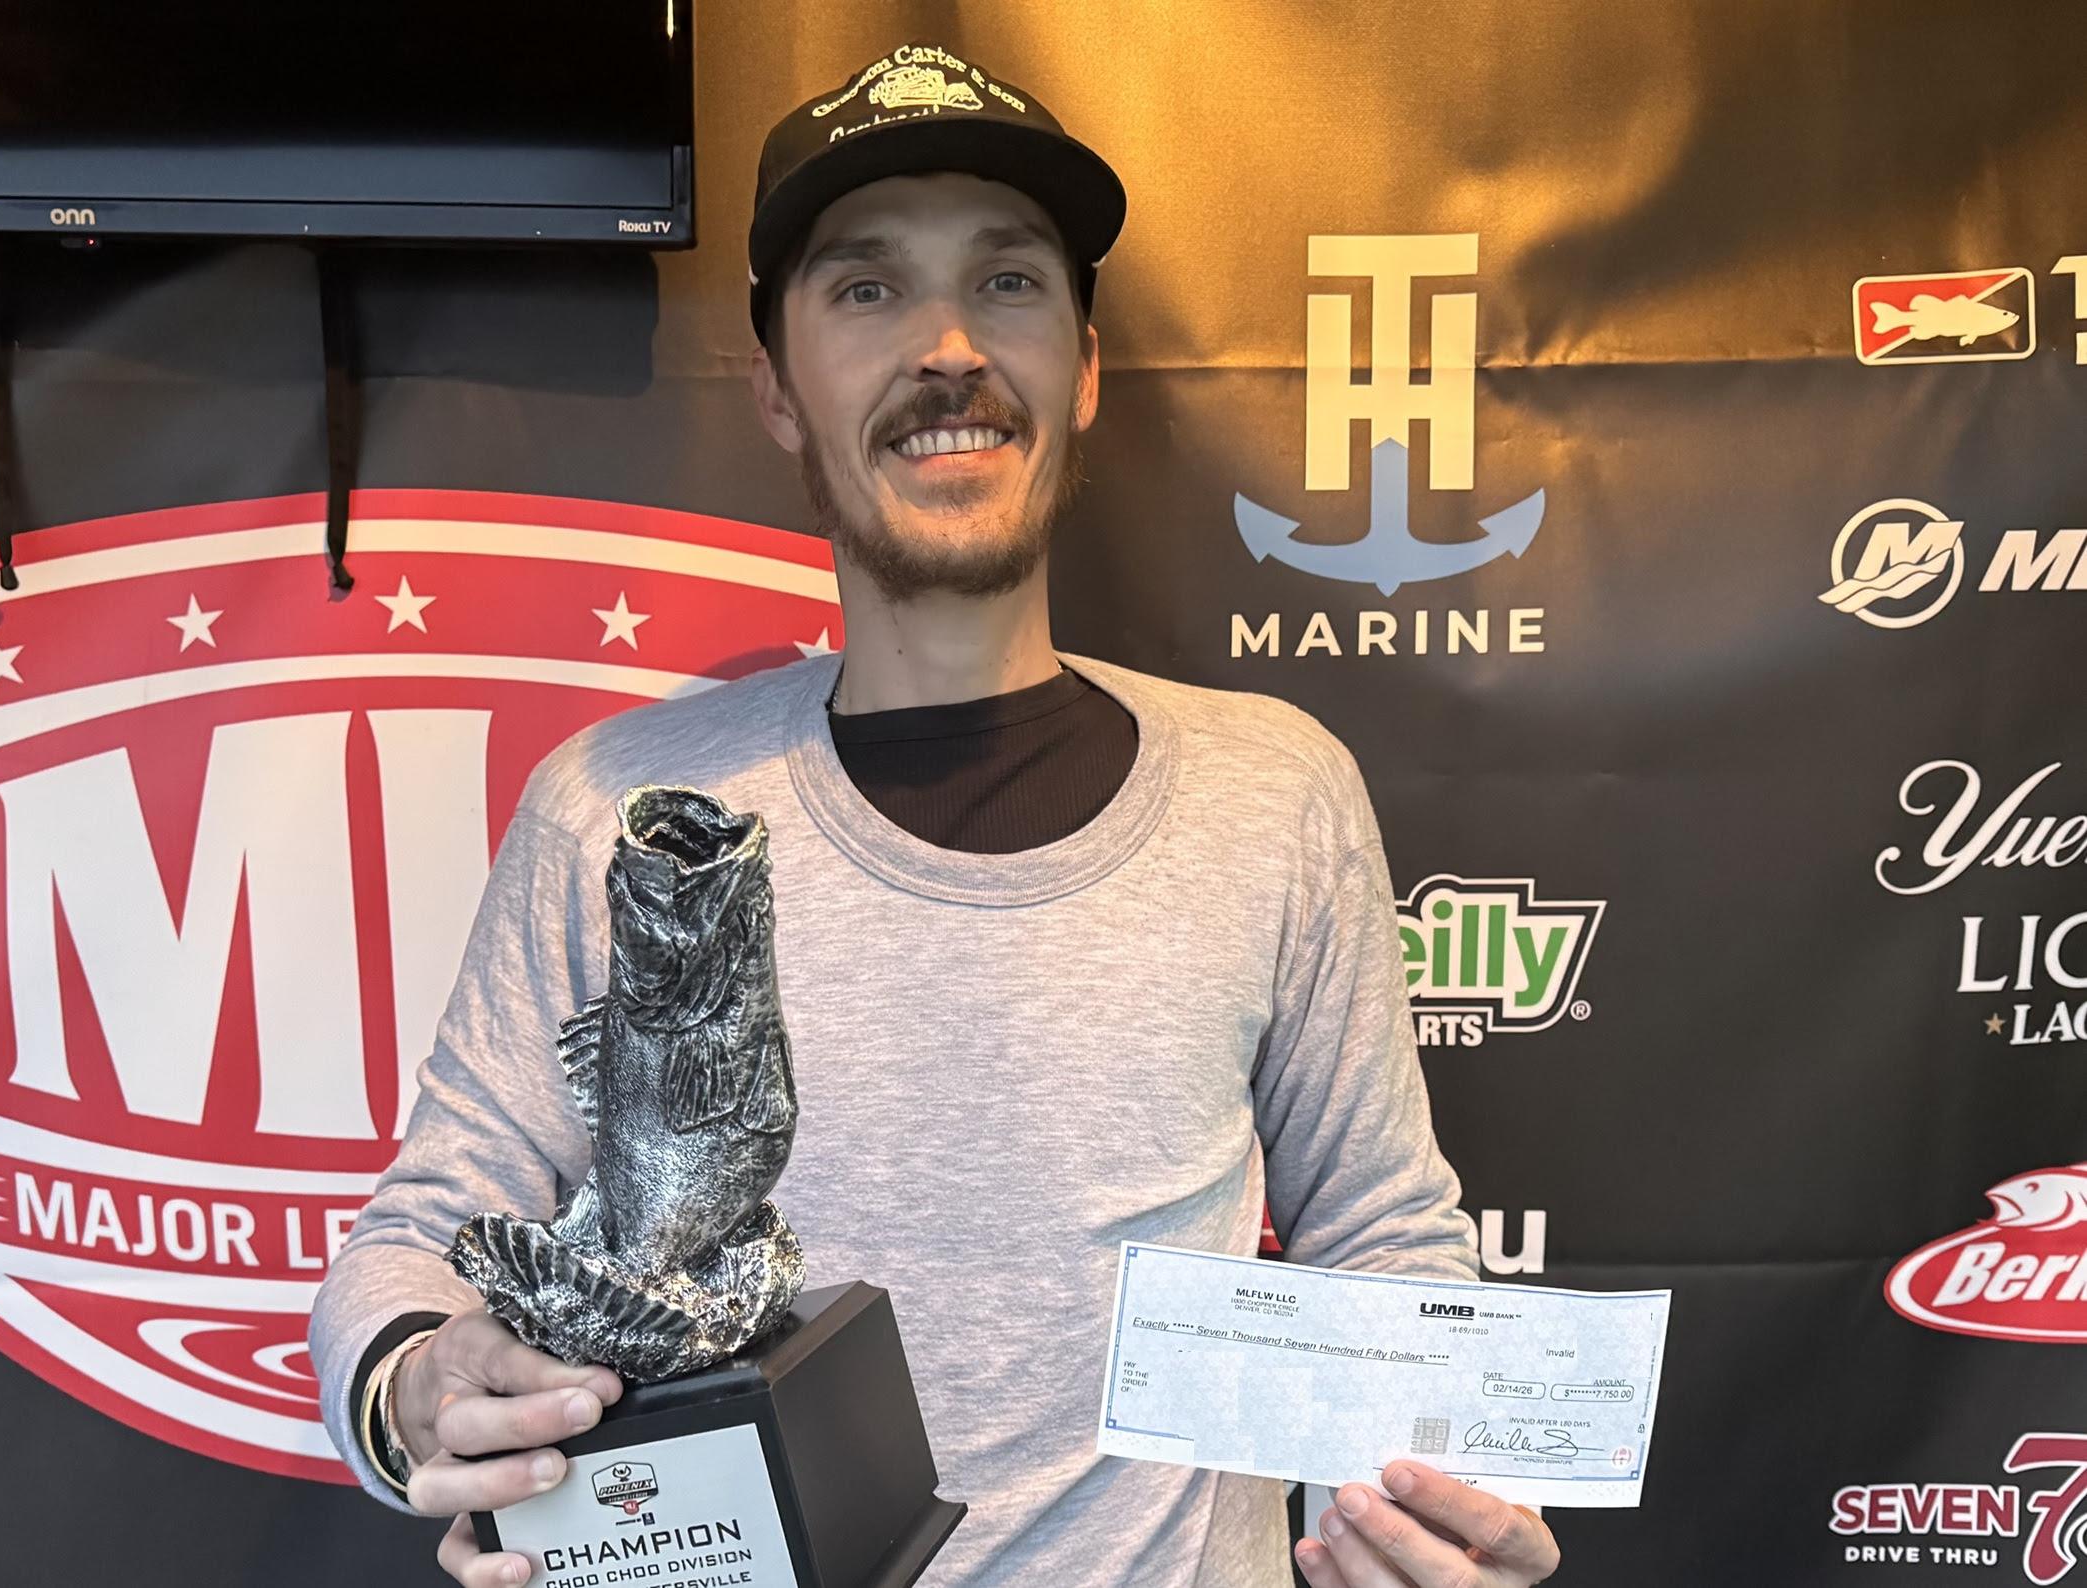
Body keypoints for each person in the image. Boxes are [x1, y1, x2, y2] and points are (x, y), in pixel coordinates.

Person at [307, 43, 1562, 1588]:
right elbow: (424, 1235)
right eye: (867, 289)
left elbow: (1380, 1235)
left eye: (1008, 283)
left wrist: (1432, 1504)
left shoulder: (1275, 790)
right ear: (777, 387)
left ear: (1084, 367)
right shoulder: (623, 814)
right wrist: (422, 1388)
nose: (950, 347)